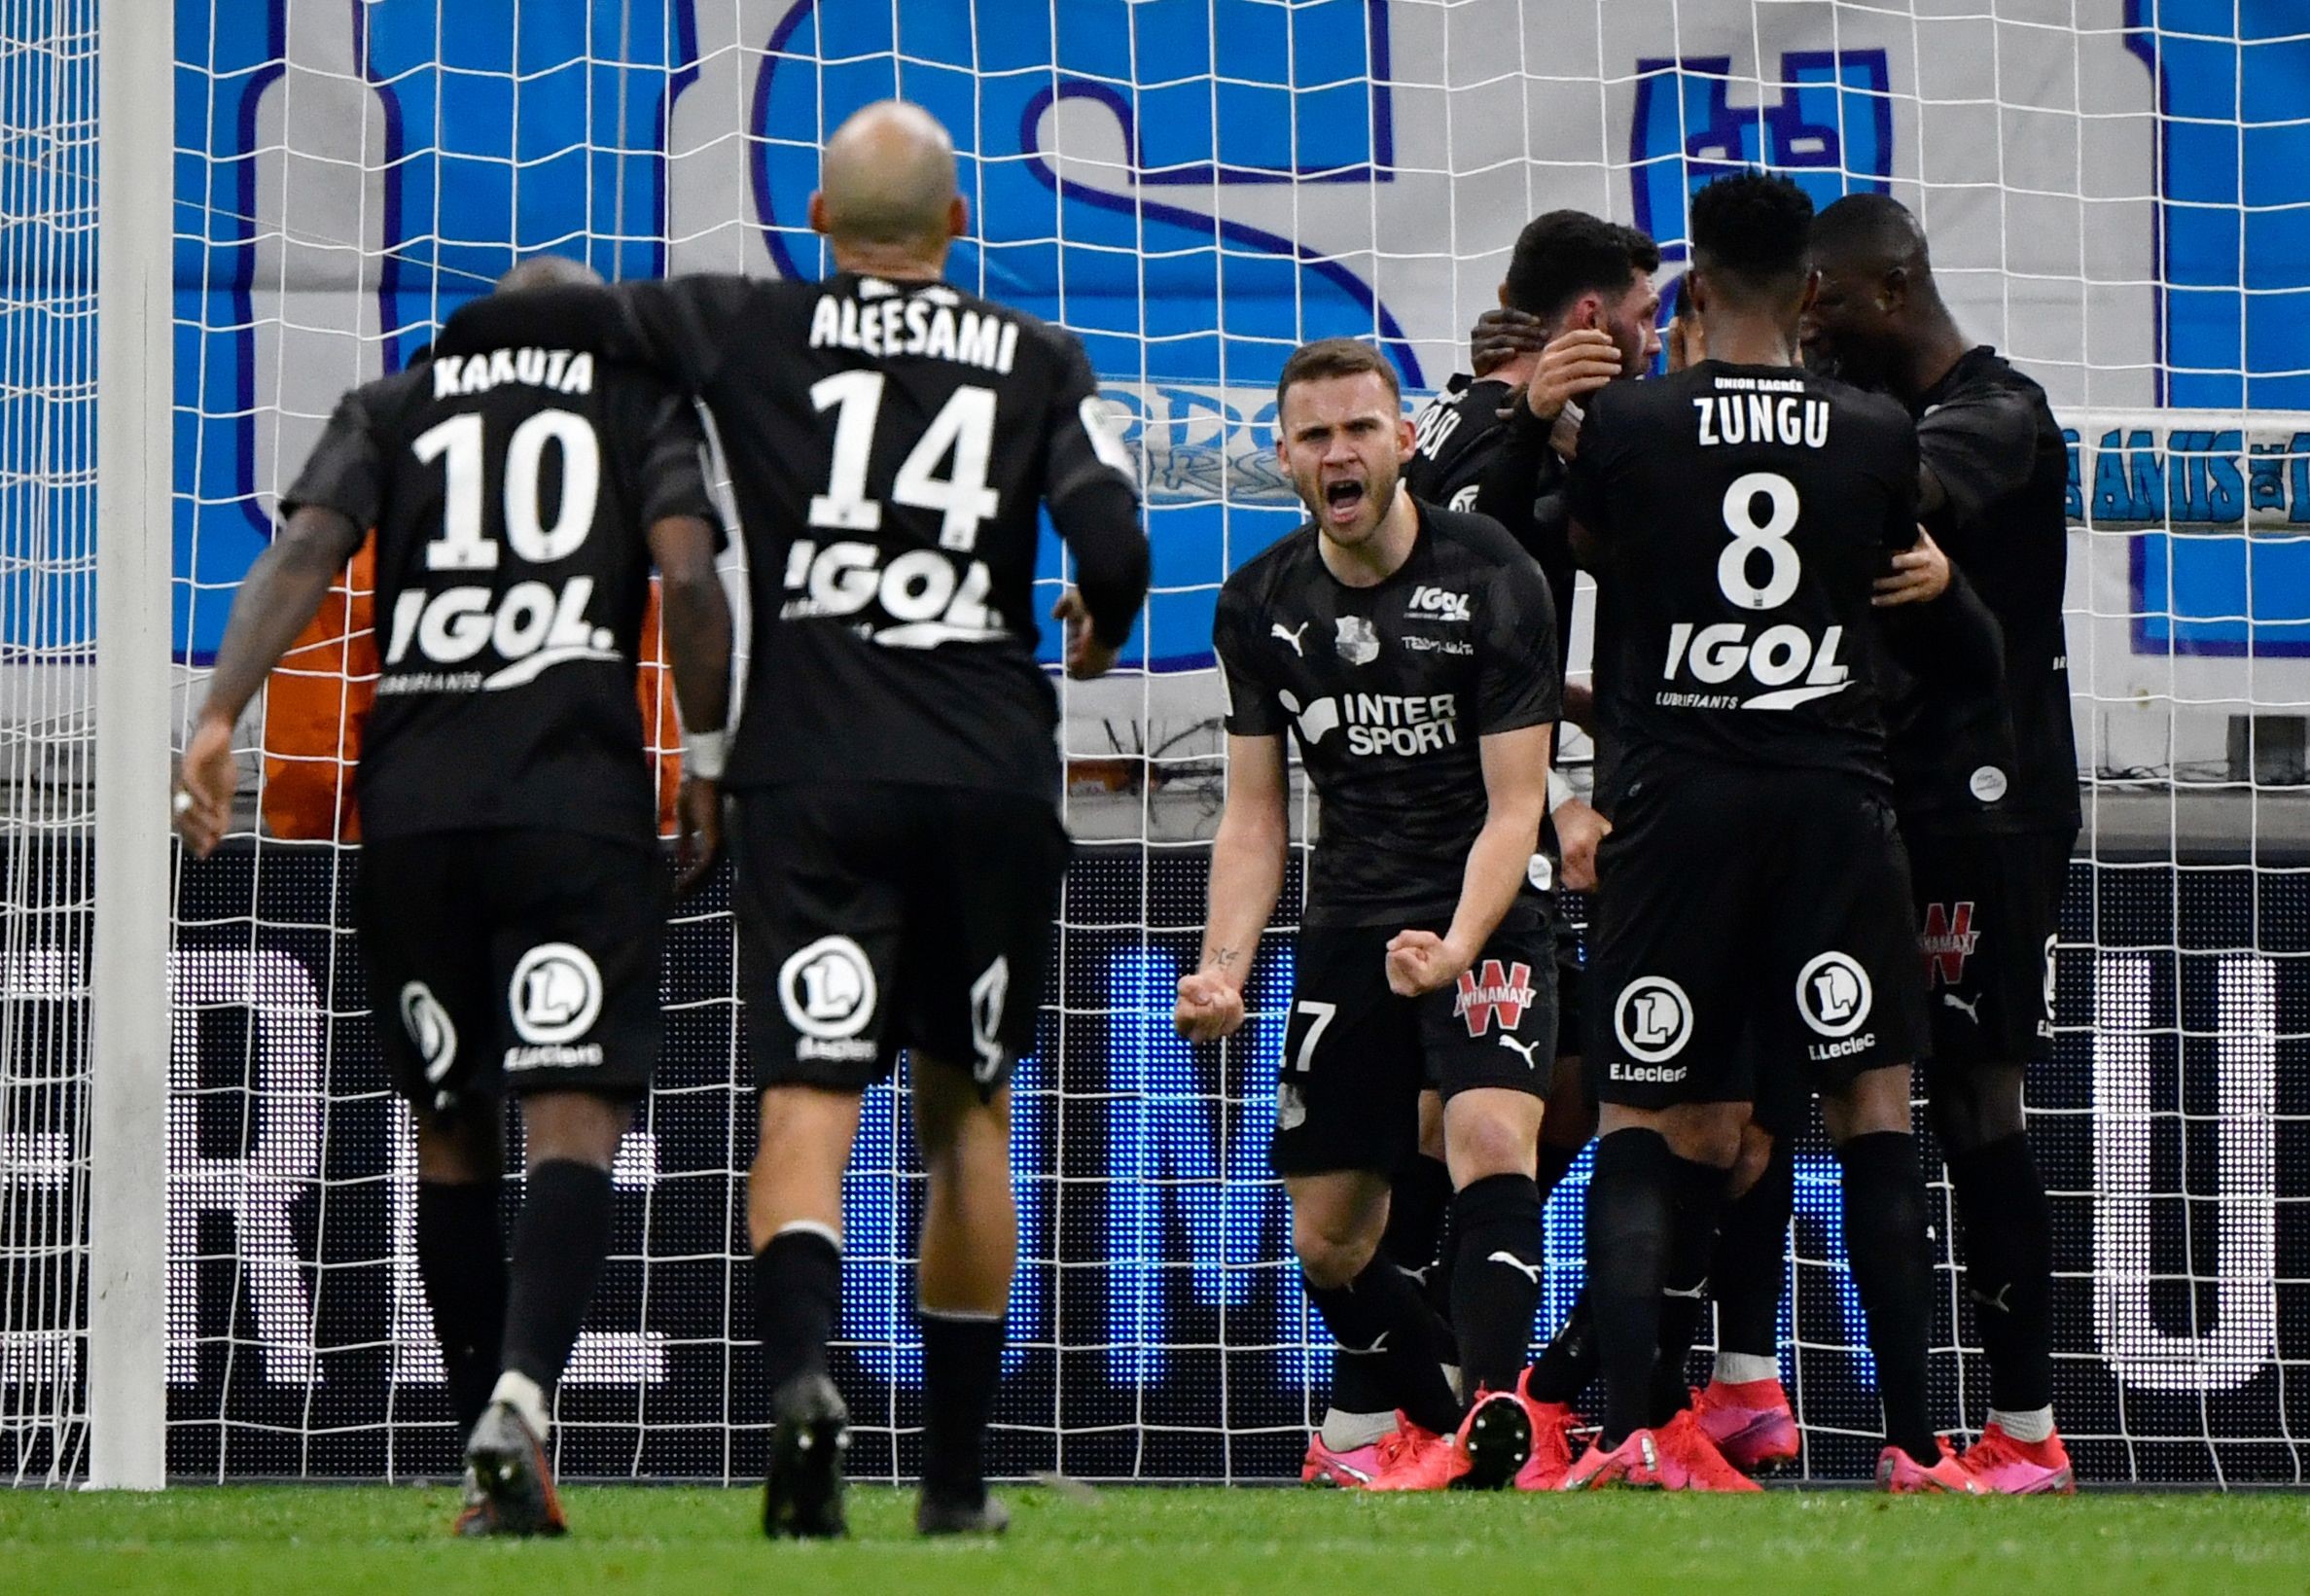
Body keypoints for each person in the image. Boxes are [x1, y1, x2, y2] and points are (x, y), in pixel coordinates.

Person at [434, 101, 1151, 1538]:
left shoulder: (745, 325)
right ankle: (951, 1486)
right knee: (965, 1114)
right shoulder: (1036, 354)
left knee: (809, 1096)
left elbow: (560, 319)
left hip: (811, 771)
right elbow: (1115, 536)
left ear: (814, 223)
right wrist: (1093, 628)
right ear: (959, 228)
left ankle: (805, 1380)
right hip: (984, 769)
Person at [173, 255, 734, 1536]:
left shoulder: (395, 401)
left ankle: (487, 1454)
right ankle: (523, 1403)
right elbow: (692, 582)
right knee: (573, 1113)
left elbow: (307, 546)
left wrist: (217, 716)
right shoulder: (634, 400)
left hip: (414, 809)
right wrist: (705, 758)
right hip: (572, 807)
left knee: (449, 1127)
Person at [1558, 171, 1975, 1493]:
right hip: (1830, 803)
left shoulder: (1624, 423)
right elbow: (1909, 602)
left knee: (1640, 1107)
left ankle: (1629, 1430)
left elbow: (1578, 556)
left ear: (1689, 285)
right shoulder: (1870, 432)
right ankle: (1913, 1445)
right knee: (1866, 1107)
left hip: (1675, 803)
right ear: (1807, 290)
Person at [1695, 192, 2079, 1495]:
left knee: (1972, 1097)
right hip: (1849, 796)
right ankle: (1745, 1383)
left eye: (1824, 302)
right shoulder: (1857, 413)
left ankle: (2020, 1428)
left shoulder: (1993, 414)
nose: (1808, 327)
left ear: (1888, 291)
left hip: (1981, 806)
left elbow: (1895, 486)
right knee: (1769, 1083)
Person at [1176, 337, 1562, 1492]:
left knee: (1491, 1136)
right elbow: (1253, 818)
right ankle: (1459, 1406)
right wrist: (1224, 970)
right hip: (1349, 924)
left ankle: (1498, 1411)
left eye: (1358, 429)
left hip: (1485, 913)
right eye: (1313, 436)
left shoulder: (1494, 576)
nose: (1337, 452)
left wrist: (1455, 944)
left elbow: (1514, 809)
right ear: (1285, 458)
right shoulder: (1256, 603)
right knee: (1329, 1243)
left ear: (1402, 441)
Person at [1327, 210, 1653, 1489]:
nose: (1645, 339)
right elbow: (1467, 557)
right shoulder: (1479, 444)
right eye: (1631, 317)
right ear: (1581, 324)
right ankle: (1445, 1405)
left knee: (1505, 1115)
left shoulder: (1496, 431)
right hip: (1458, 841)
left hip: (1481, 825)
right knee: (1472, 1129)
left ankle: (1434, 1405)